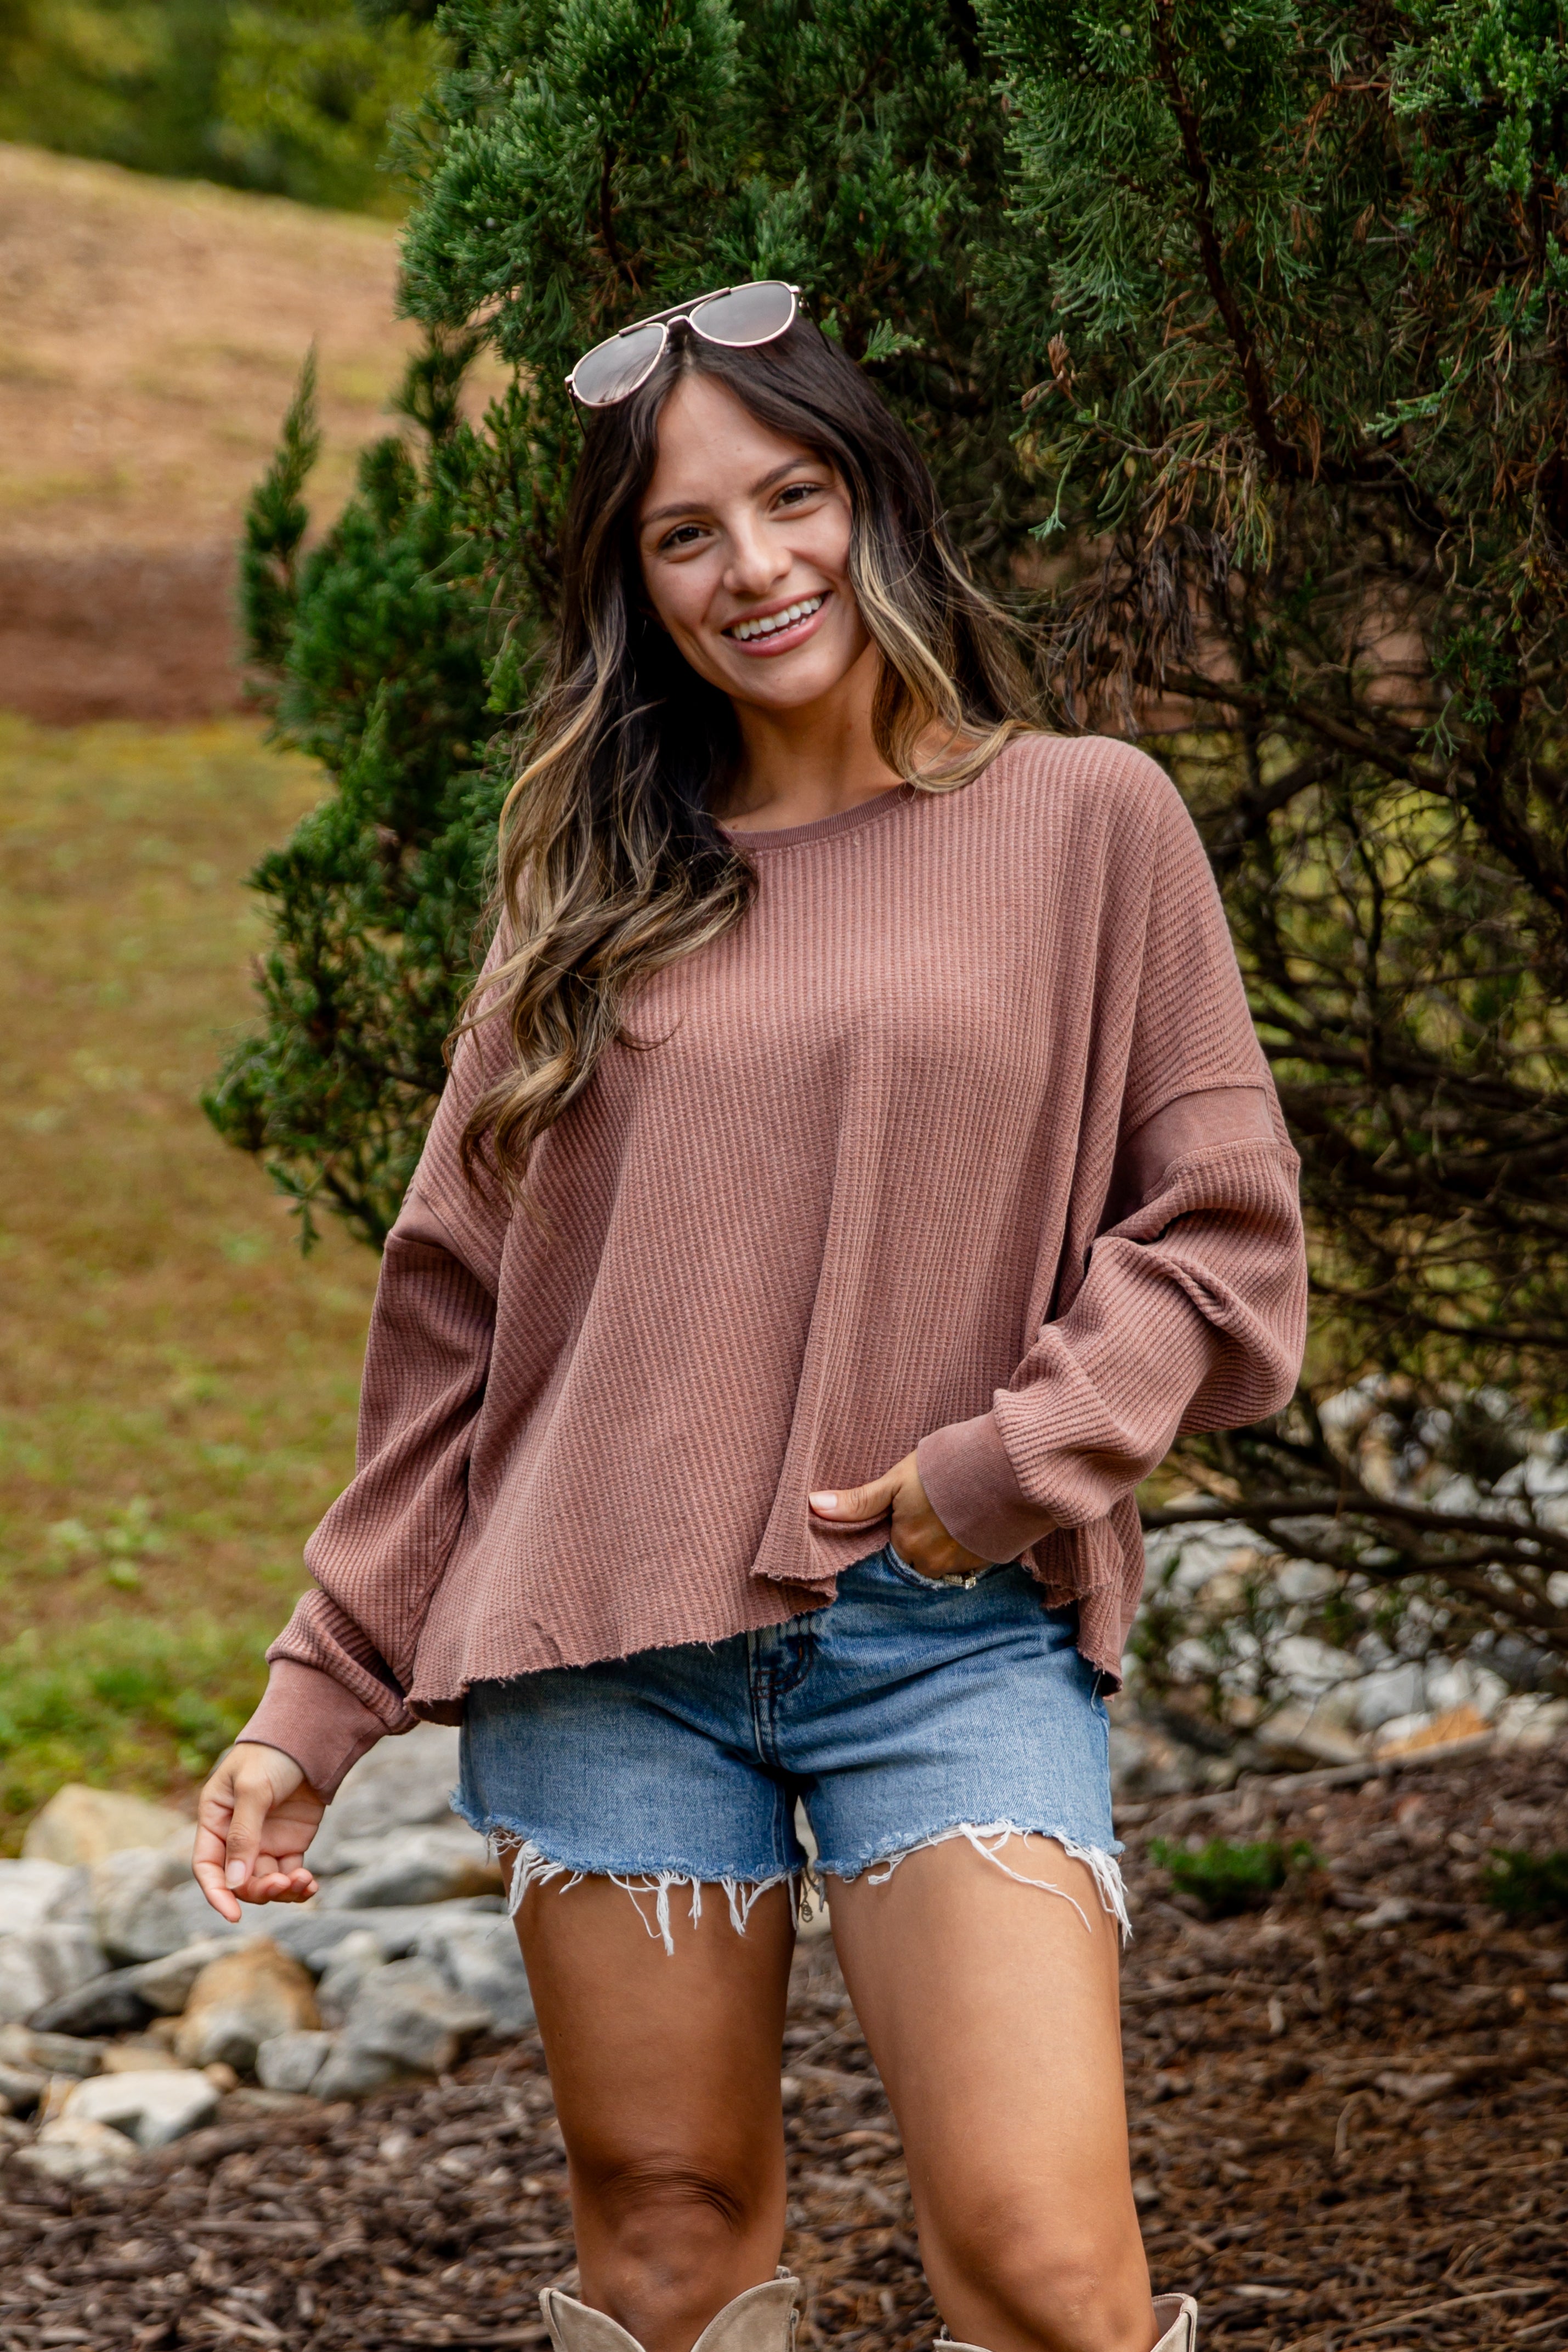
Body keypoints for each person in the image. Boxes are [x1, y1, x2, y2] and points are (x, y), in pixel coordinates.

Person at [195, 284, 1307, 2352]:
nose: (753, 567)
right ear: (636, 586)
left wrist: (1006, 1468)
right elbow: (455, 1337)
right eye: (683, 534)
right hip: (606, 1649)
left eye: (790, 498)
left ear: (871, 496)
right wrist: (310, 1702)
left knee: (1047, 2261)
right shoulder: (590, 893)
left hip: (948, 1637)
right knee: (669, 2246)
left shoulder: (1087, 820)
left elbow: (1224, 1241)